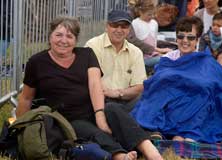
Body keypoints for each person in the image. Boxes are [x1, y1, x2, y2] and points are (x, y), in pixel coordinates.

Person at [16, 16, 163, 160]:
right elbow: (26, 98)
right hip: (66, 118)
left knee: (114, 110)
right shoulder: (36, 62)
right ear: (50, 37)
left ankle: (151, 152)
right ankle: (120, 155)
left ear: (75, 40)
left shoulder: (86, 54)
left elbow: (95, 84)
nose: (63, 41)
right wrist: (21, 127)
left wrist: (99, 115)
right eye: (58, 35)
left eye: (69, 36)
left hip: (93, 108)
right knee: (90, 131)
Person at [131, 16, 222, 143]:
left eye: (190, 37)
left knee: (204, 93)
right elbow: (155, 86)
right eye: (181, 36)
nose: (185, 41)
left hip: (197, 108)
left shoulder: (207, 61)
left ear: (197, 39)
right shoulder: (168, 59)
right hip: (171, 106)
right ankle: (176, 132)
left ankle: (185, 132)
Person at [85, 10, 147, 112]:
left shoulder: (136, 52)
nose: (119, 30)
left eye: (124, 26)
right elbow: (90, 82)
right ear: (107, 26)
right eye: (115, 25)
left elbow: (139, 87)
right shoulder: (93, 46)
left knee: (148, 98)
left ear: (129, 29)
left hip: (125, 100)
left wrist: (118, 93)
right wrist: (108, 94)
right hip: (99, 100)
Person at [131, 0, 172, 69]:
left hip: (154, 54)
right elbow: (136, 43)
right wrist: (158, 50)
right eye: (149, 14)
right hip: (141, 58)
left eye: (153, 14)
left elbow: (154, 40)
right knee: (163, 59)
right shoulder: (135, 23)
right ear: (140, 12)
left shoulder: (154, 23)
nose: (152, 16)